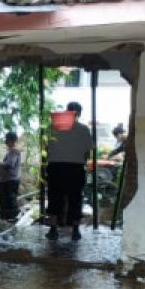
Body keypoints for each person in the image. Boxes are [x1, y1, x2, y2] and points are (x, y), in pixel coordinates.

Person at [45, 101, 92, 241]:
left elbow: (46, 148)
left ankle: (53, 230)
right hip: (75, 168)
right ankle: (75, 231)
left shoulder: (52, 127)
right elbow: (87, 152)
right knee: (75, 199)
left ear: (67, 112)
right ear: (79, 113)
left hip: (55, 167)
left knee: (54, 197)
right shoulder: (84, 129)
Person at [0, 131, 22, 222]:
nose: (5, 141)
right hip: (8, 180)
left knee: (9, 200)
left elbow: (9, 164)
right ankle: (8, 218)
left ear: (11, 140)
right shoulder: (12, 151)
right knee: (7, 200)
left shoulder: (13, 151)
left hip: (10, 180)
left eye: (6, 139)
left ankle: (11, 219)